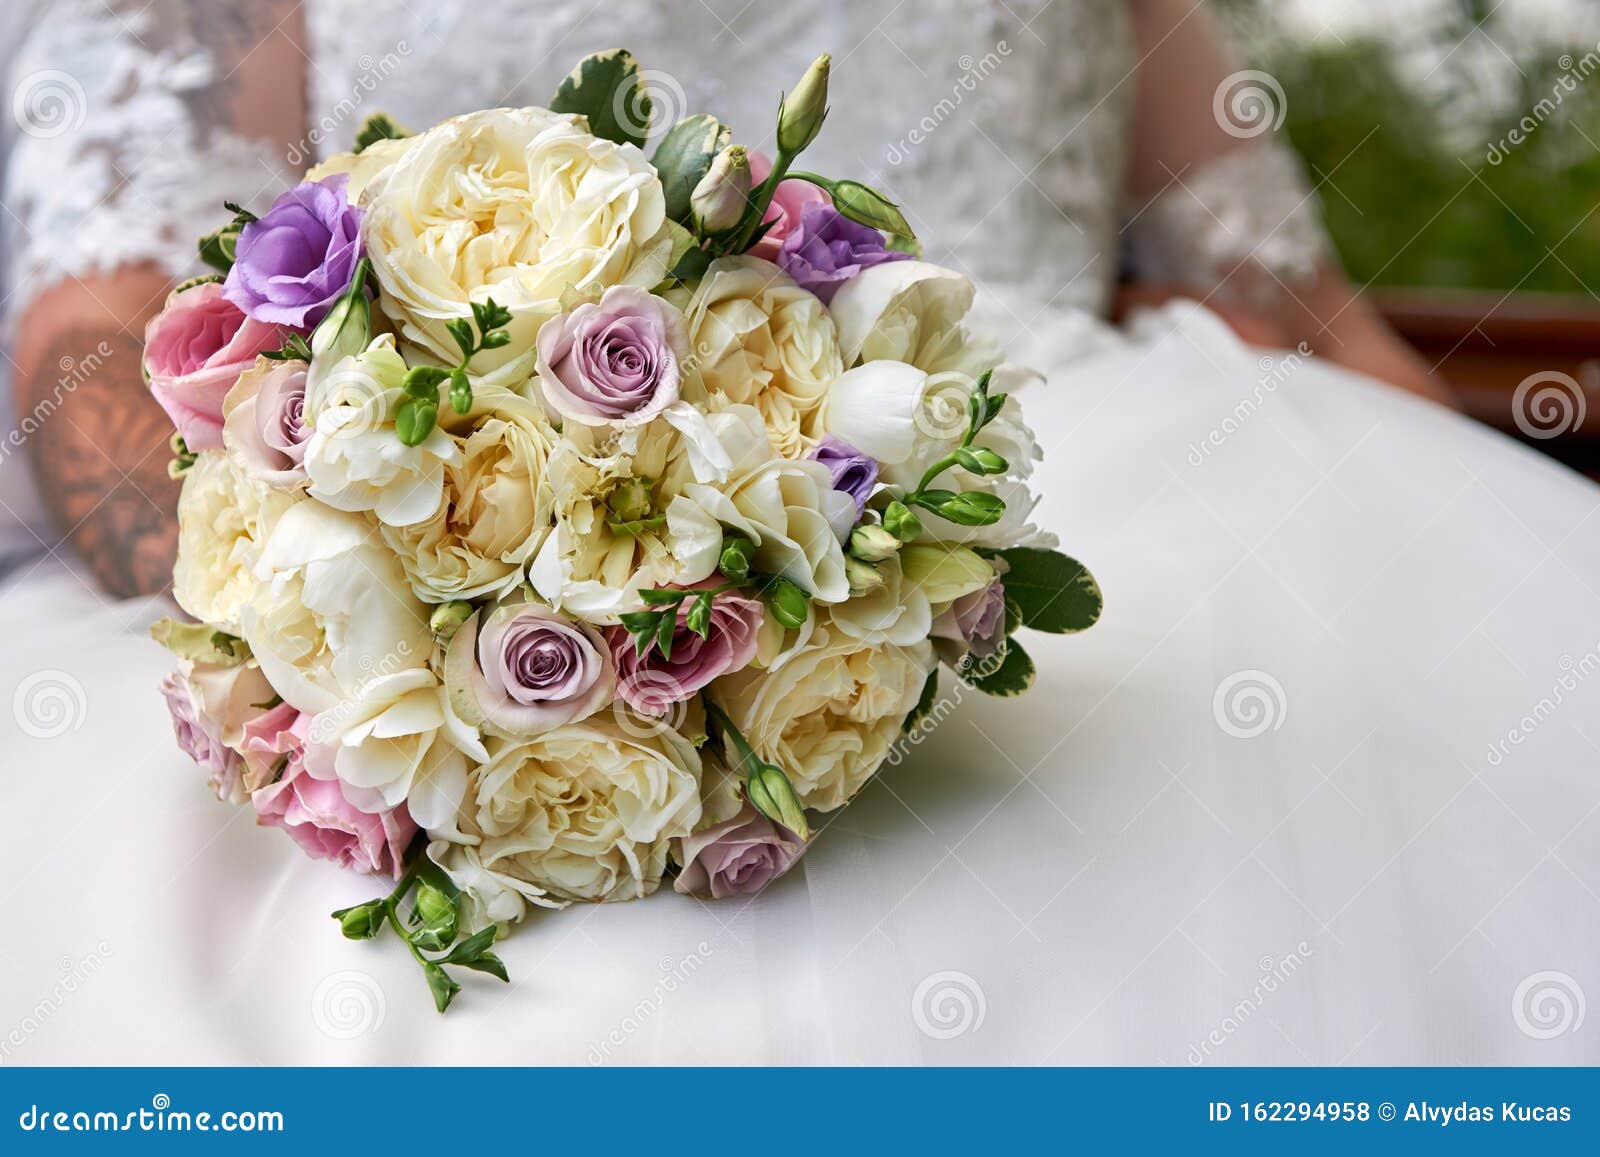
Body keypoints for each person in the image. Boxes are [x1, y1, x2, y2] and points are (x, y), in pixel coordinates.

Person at [0, 0, 1593, 1063]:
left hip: (1026, 455)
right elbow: (97, 331)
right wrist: (340, 618)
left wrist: (1505, 537)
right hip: (389, 481)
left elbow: (1289, 302)